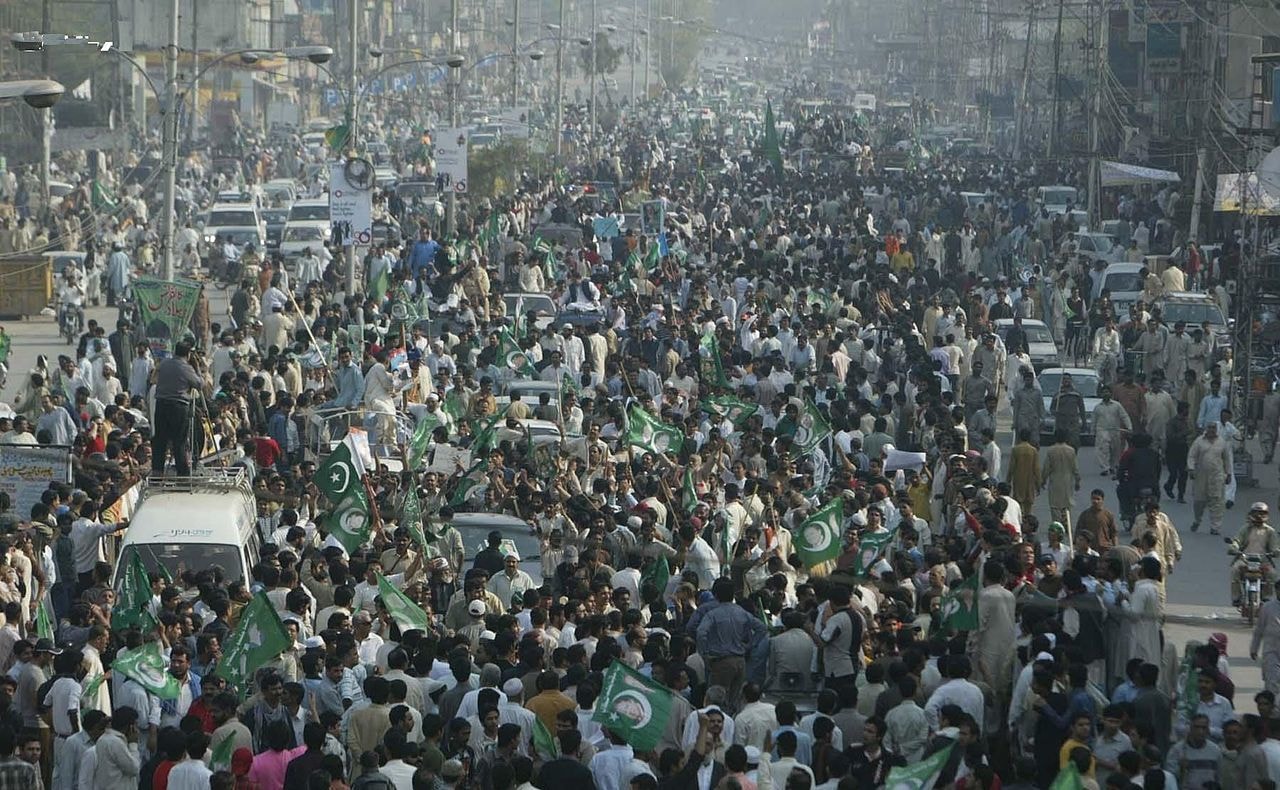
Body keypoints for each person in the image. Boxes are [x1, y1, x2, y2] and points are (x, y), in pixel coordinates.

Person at [151, 342, 205, 477]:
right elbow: (199, 384)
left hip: (161, 404)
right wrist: (197, 367)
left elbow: (154, 378)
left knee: (160, 440)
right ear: (188, 354)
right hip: (178, 406)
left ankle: (157, 471)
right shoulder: (185, 367)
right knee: (179, 441)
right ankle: (183, 474)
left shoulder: (164, 363)